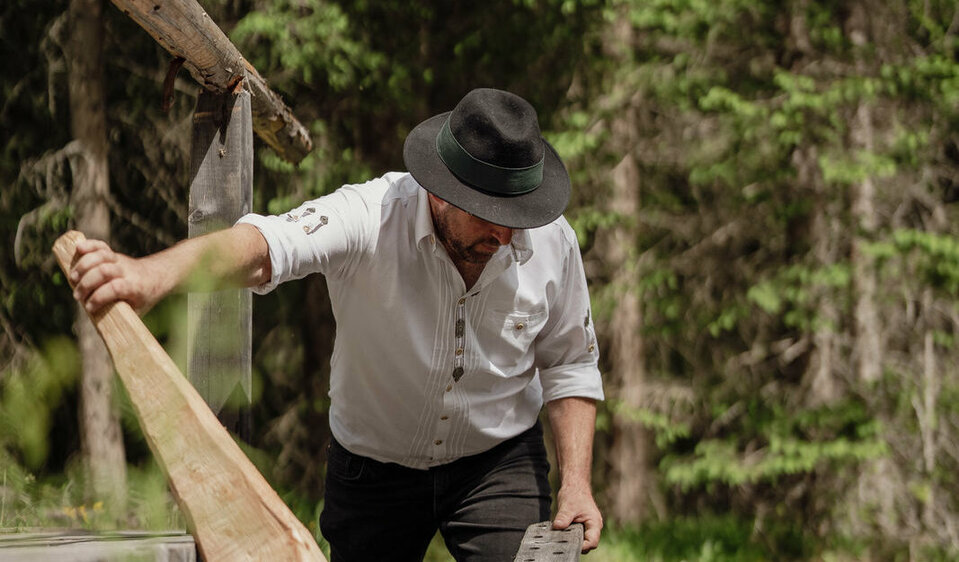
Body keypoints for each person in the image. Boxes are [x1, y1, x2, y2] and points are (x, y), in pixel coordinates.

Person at [69, 88, 604, 561]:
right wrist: (147, 275)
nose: (507, 237)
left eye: (517, 217)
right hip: (373, 470)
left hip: (498, 462)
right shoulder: (369, 214)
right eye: (489, 216)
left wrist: (576, 484)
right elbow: (264, 248)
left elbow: (571, 362)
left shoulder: (553, 242)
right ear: (442, 193)